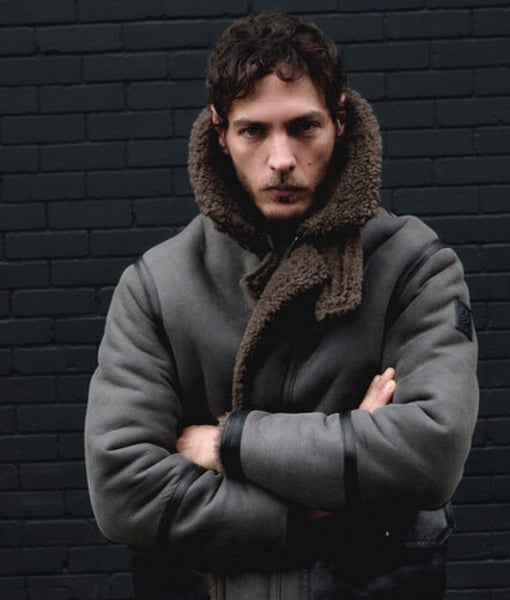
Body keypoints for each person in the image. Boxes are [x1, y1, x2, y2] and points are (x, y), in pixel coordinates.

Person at [84, 12, 478, 600]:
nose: (281, 158)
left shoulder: (413, 268)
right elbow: (122, 491)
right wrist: (320, 503)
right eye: (253, 131)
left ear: (339, 120)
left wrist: (226, 445)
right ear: (220, 131)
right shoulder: (158, 286)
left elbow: (431, 453)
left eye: (303, 127)